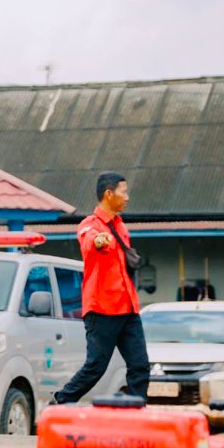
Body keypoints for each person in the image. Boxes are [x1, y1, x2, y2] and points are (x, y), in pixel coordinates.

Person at [52, 171, 149, 404]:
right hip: (103, 309)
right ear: (109, 194)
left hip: (128, 307)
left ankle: (137, 413)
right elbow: (89, 241)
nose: (127, 197)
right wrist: (98, 241)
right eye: (123, 192)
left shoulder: (121, 226)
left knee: (140, 365)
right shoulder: (89, 226)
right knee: (96, 366)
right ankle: (60, 402)